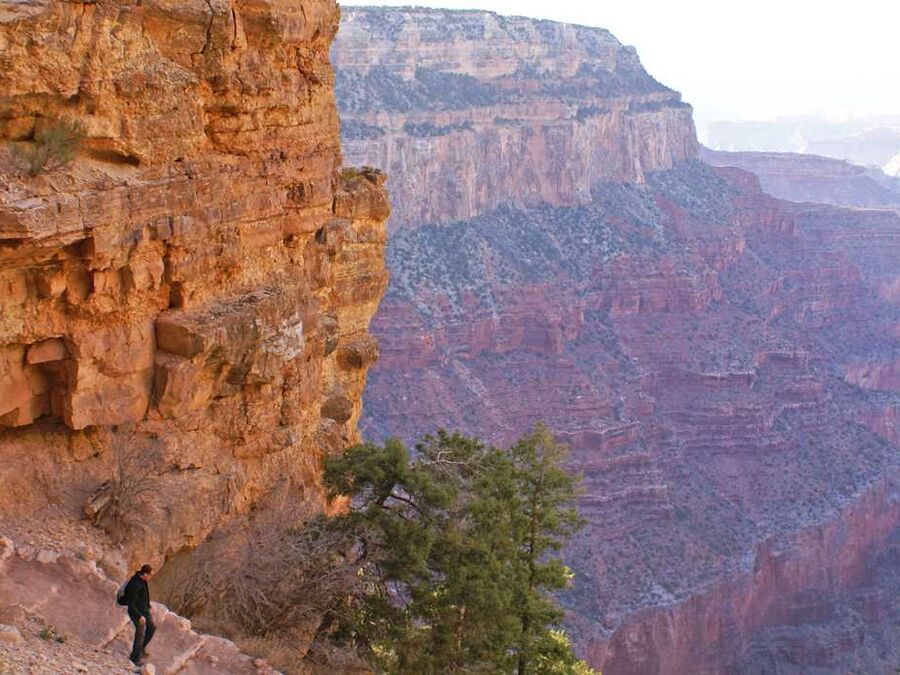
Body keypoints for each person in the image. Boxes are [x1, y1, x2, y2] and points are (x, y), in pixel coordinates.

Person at [122, 564, 155, 665]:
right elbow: (131, 604)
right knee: (139, 633)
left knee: (152, 628)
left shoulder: (143, 580)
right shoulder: (135, 584)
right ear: (145, 574)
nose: (151, 577)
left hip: (143, 608)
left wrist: (148, 605)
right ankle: (135, 659)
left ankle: (141, 649)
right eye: (150, 575)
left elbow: (146, 593)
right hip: (136, 611)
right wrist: (139, 616)